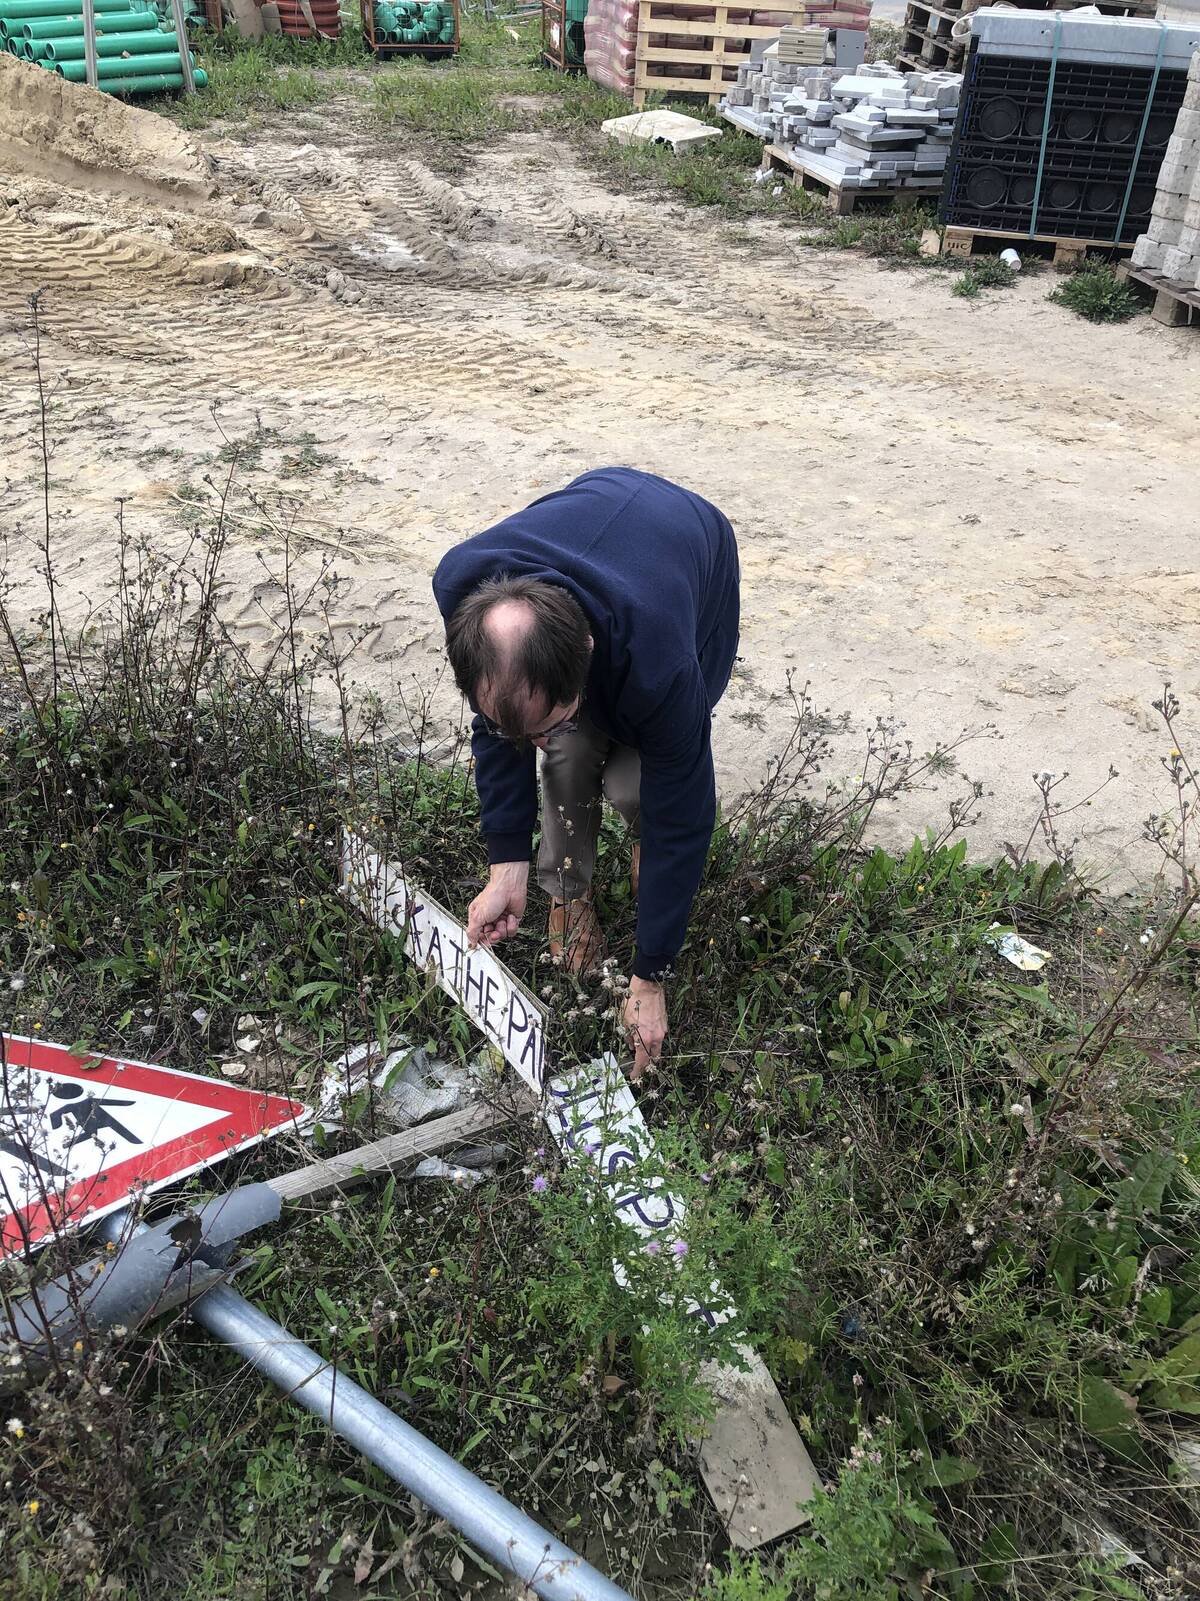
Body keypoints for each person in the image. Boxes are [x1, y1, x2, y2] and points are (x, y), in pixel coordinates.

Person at [432, 467, 740, 1077]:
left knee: (642, 782)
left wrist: (650, 974)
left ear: (590, 655)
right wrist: (507, 863)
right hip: (601, 499)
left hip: (692, 546)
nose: (538, 745)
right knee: (569, 753)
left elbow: (686, 813)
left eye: (554, 719)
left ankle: (639, 860)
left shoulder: (660, 661)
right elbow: (500, 728)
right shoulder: (464, 589)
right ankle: (568, 896)